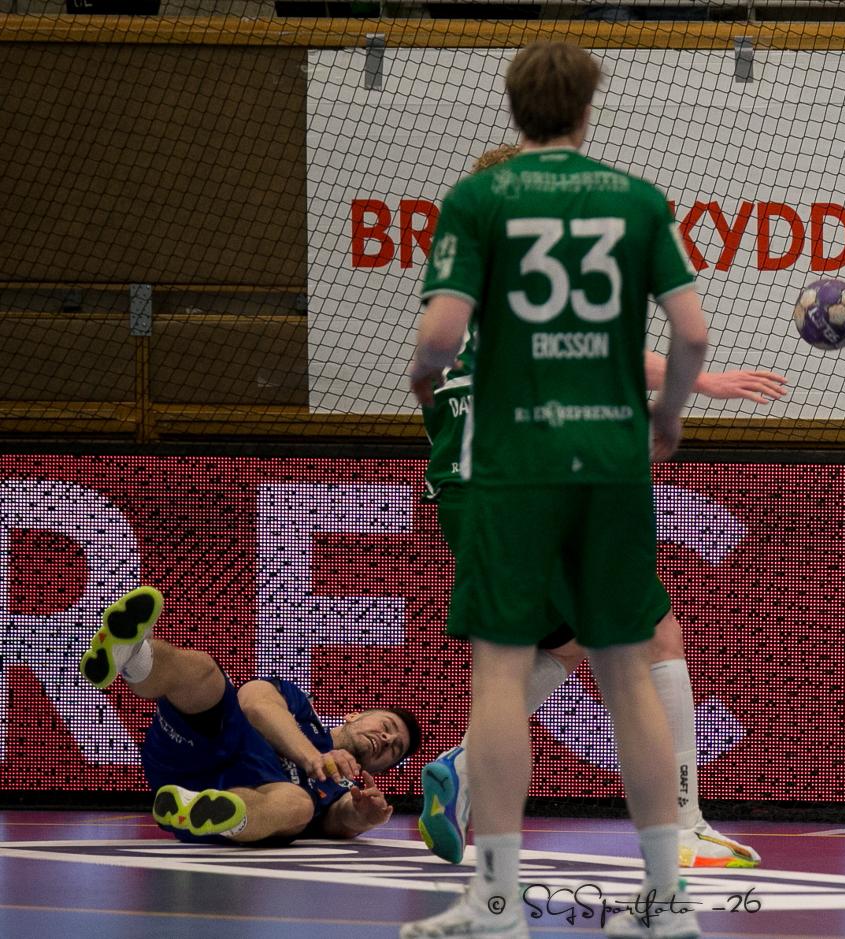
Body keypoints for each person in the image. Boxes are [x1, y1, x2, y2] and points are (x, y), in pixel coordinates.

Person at [403, 39, 709, 939]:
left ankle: (496, 901)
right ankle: (666, 900)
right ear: (587, 108)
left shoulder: (478, 200)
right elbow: (692, 333)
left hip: (517, 461)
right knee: (628, 670)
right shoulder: (636, 198)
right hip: (610, 460)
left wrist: (427, 382)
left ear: (515, 107)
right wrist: (668, 417)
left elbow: (441, 335)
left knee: (501, 670)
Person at [416, 145, 781, 875]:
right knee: (656, 636)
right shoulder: (535, 272)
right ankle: (683, 828)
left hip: (462, 488)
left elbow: (432, 371)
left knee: (562, 646)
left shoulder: (464, 285)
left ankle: (461, 768)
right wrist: (695, 385)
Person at [80, 585, 421, 844]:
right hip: (197, 743)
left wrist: (364, 818)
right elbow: (254, 703)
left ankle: (203, 810)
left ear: (380, 768)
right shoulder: (302, 710)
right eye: (388, 726)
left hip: (230, 795)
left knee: (300, 806)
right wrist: (313, 757)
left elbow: (338, 821)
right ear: (353, 715)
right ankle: (133, 656)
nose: (386, 739)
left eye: (394, 749)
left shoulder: (342, 789)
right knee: (205, 674)